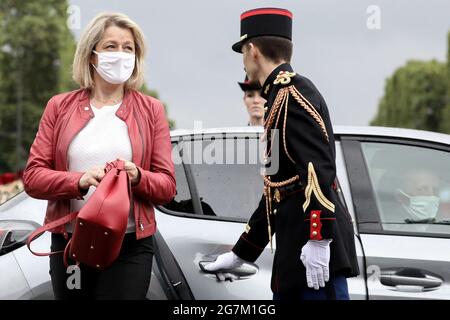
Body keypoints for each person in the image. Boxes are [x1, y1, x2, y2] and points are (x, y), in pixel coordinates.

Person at [205, 8, 359, 300]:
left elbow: (317, 171)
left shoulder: (294, 94)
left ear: (252, 51)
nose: (243, 63)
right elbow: (279, 190)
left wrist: (319, 238)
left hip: (311, 257)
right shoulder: (278, 97)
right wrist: (242, 252)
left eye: (242, 52)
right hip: (295, 255)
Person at [23, 12, 176, 300]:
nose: (120, 55)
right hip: (70, 245)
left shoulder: (151, 109)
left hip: (130, 245)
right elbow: (32, 178)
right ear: (92, 55)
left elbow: (167, 186)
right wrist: (79, 180)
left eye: (128, 48)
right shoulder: (59, 107)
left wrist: (138, 176)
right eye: (111, 47)